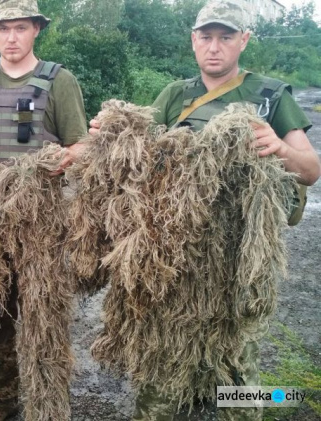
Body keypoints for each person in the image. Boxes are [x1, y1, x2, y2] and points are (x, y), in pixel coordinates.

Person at [90, 1, 320, 419]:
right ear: (193, 41)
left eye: (226, 37)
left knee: (235, 379)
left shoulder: (271, 96)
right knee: (161, 376)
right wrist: (112, 136)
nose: (214, 47)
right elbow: (142, 156)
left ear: (243, 41)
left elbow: (309, 171)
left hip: (236, 266)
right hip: (174, 260)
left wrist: (280, 147)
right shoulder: (175, 95)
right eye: (206, 37)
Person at [0, 0, 88, 419]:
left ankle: (46, 408)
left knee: (44, 327)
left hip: (40, 228)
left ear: (36, 30)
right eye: (3, 29)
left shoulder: (58, 82)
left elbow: (82, 144)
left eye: (20, 28)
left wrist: (61, 159)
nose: (11, 37)